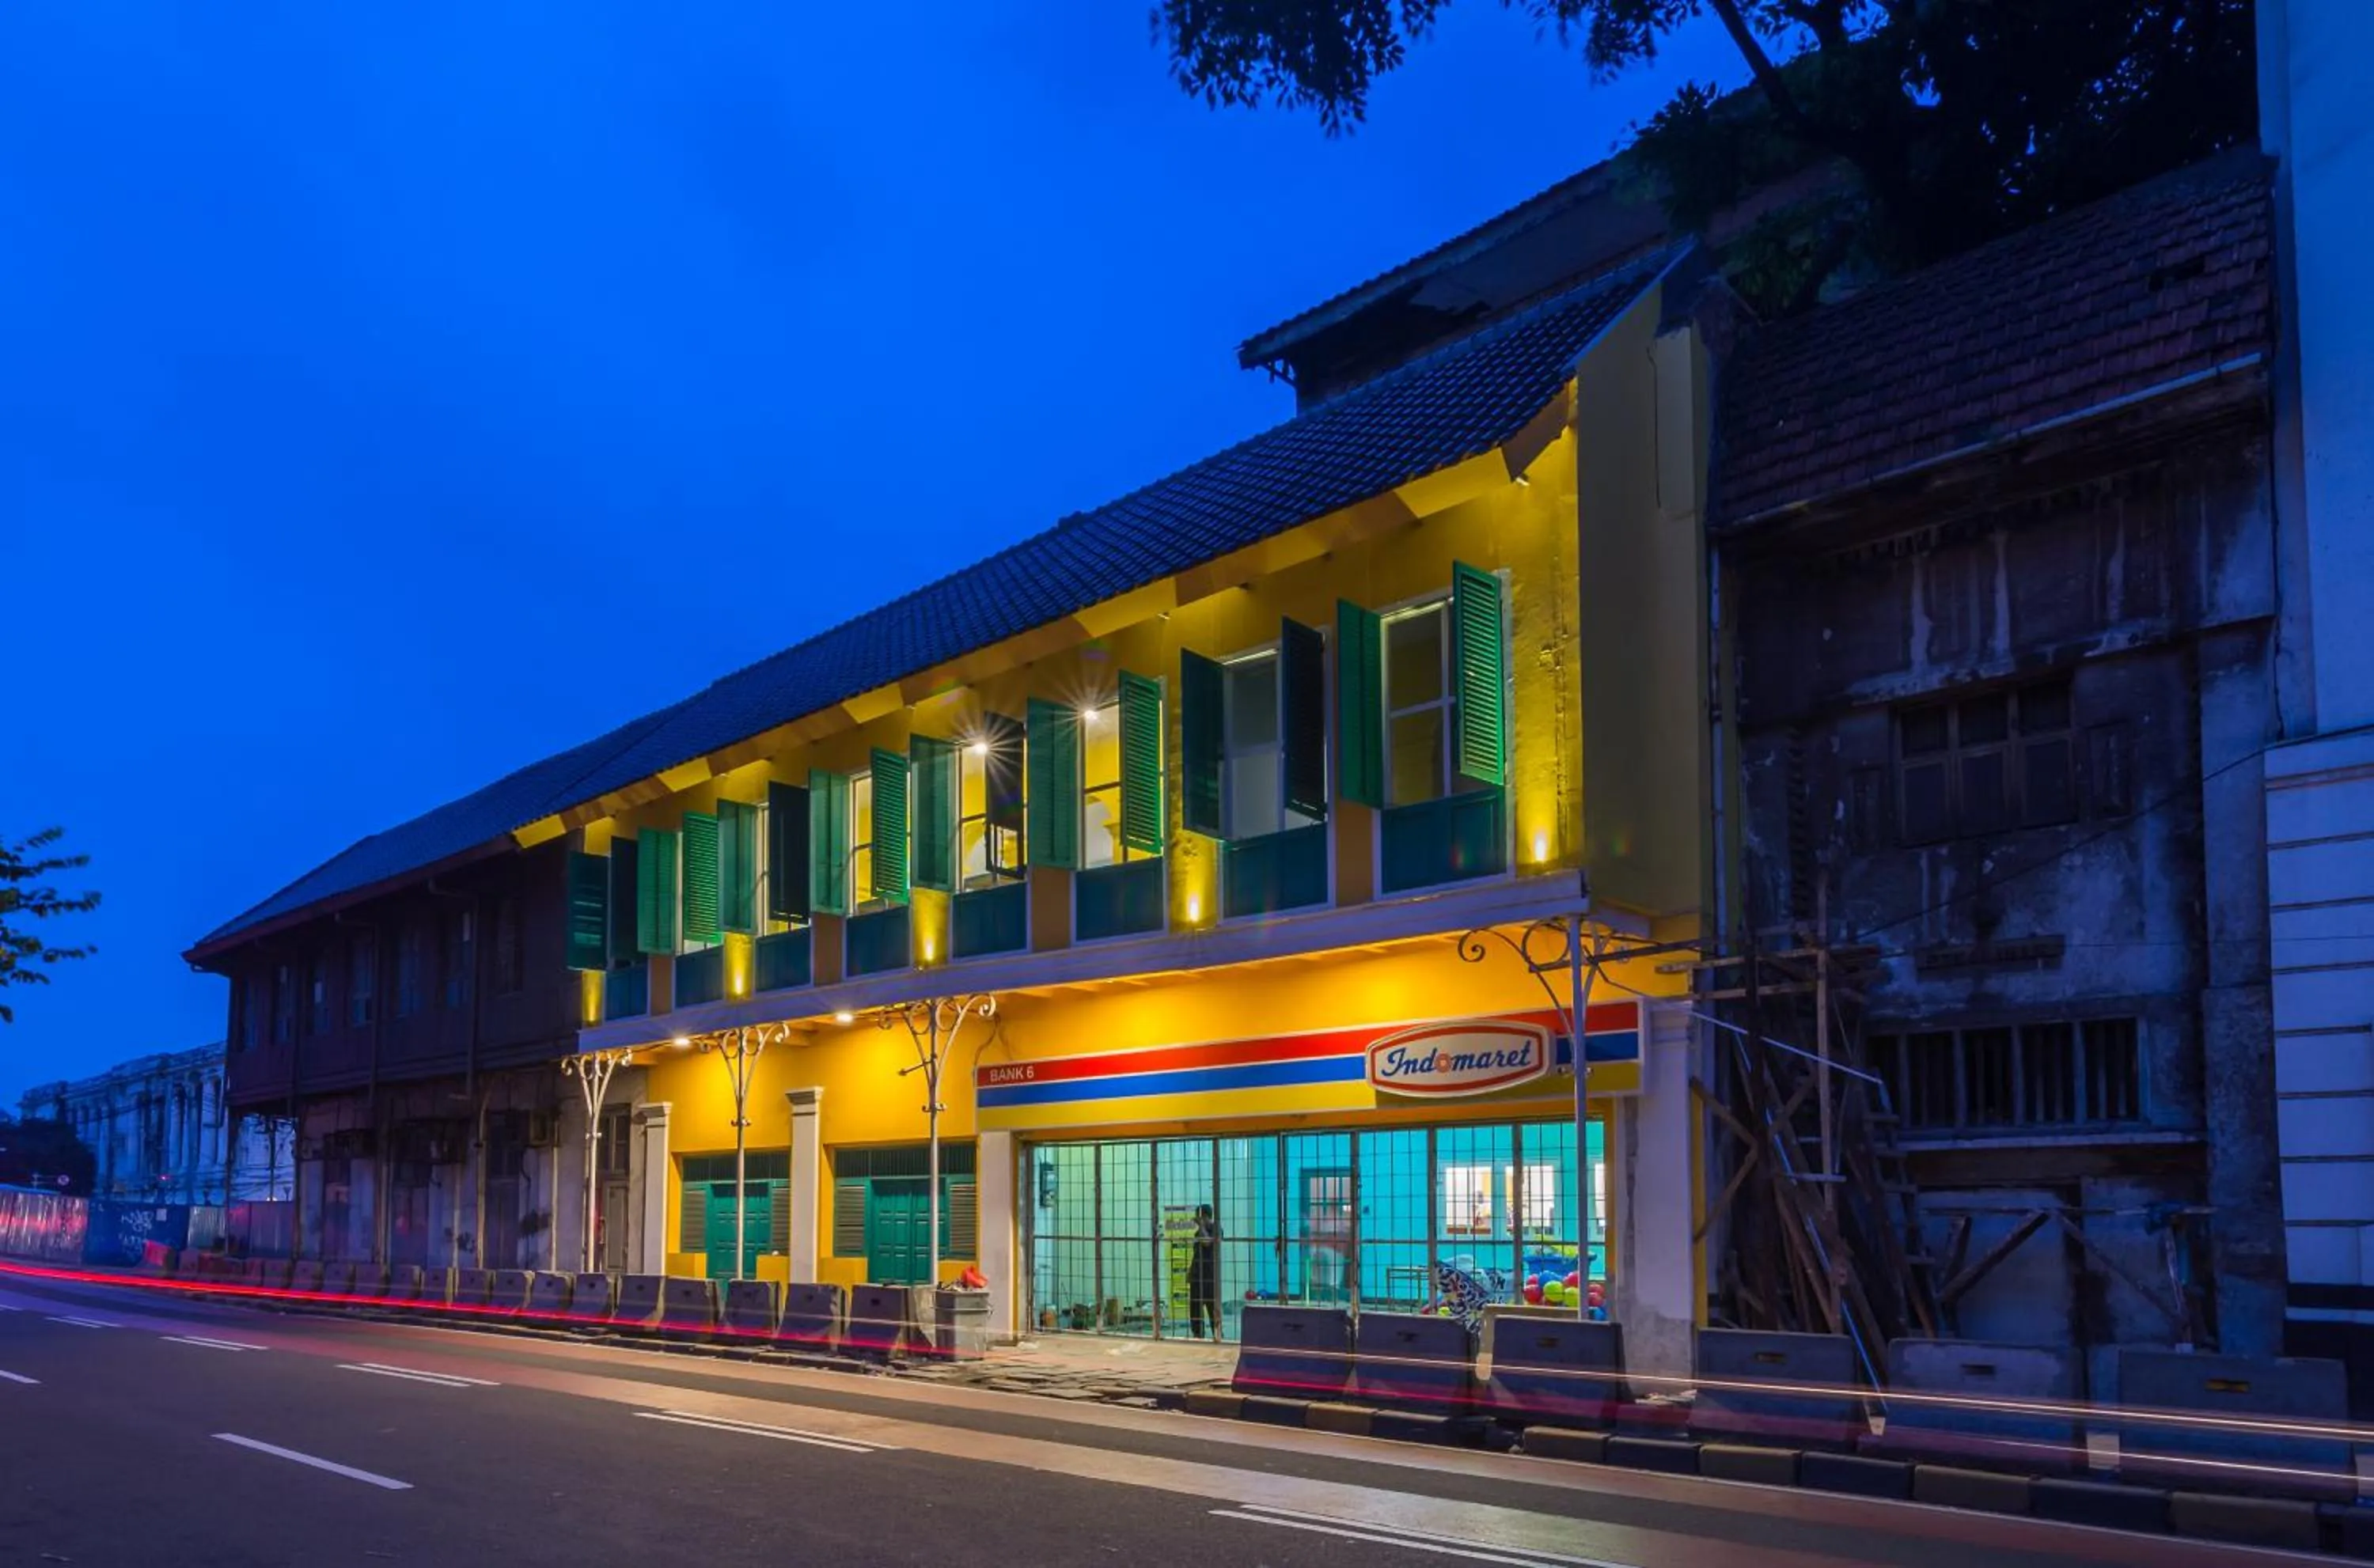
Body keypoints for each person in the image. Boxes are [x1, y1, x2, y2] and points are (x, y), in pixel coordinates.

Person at [1189, 1203, 1220, 1339]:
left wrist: (1201, 1226)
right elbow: (1197, 1254)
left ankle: (1217, 1334)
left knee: (1212, 1307)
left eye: (1199, 1217)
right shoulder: (1198, 1232)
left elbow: (1207, 1243)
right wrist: (1190, 1272)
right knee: (1195, 1308)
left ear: (1205, 1216)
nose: (1196, 1219)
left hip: (1209, 1276)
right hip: (1197, 1275)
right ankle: (1198, 1334)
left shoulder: (1216, 1229)